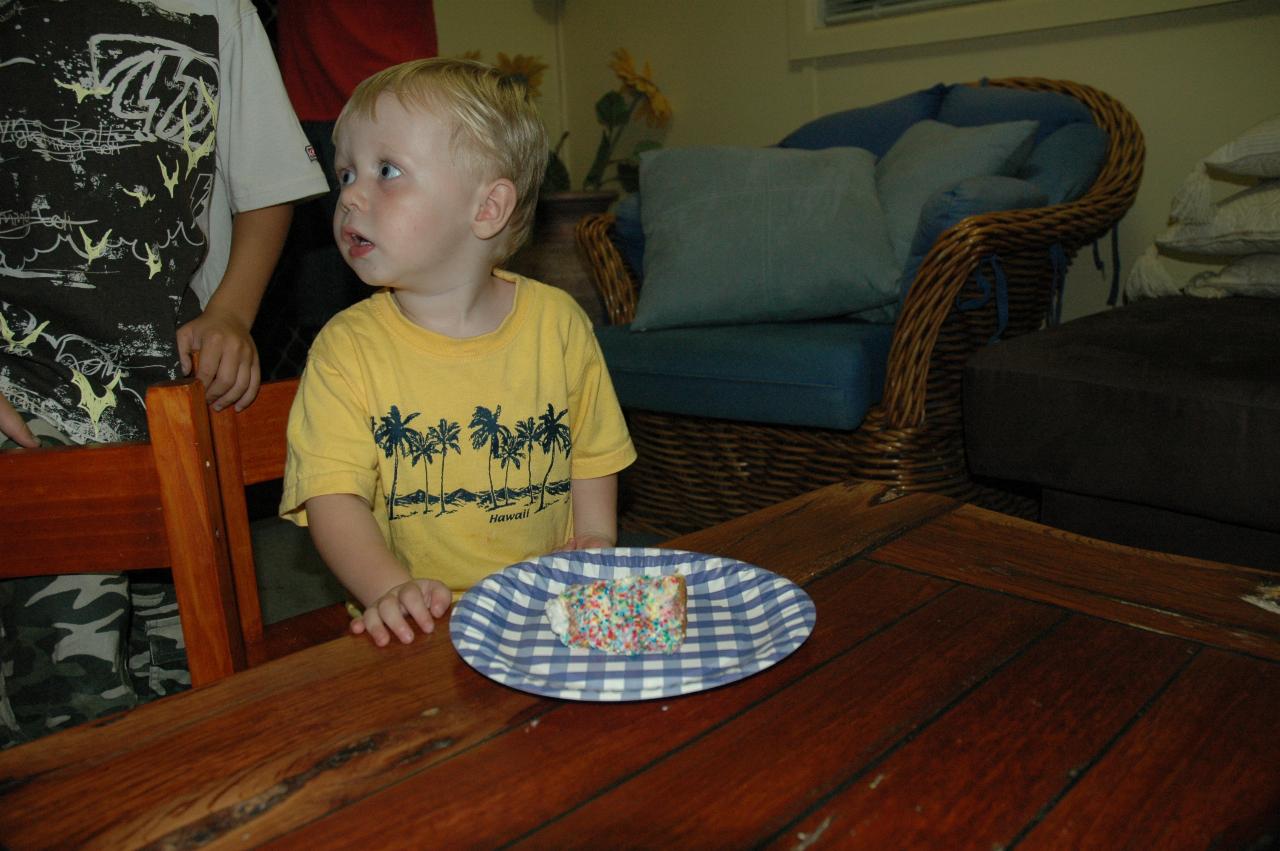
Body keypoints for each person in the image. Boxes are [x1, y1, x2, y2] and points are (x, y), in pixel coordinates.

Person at [0, 0, 328, 747]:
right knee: (63, 687)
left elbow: (268, 183)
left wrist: (232, 313)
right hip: (22, 394)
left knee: (201, 675)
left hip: (168, 390)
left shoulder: (222, 9)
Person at [280, 59, 636, 648]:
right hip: (420, 625)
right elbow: (331, 497)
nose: (350, 197)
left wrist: (595, 540)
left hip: (547, 608)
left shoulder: (559, 324)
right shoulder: (346, 351)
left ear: (487, 207)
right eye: (345, 174)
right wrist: (388, 590)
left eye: (387, 170)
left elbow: (592, 451)